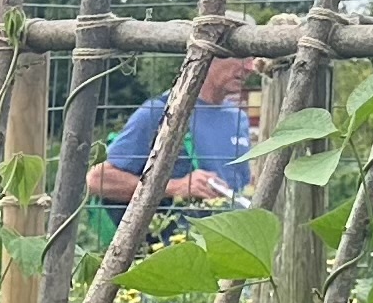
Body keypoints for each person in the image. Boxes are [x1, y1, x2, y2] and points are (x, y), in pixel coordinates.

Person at [94, 55, 261, 208]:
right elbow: (97, 180)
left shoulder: (237, 117)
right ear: (209, 57)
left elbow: (241, 185)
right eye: (241, 56)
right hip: (175, 238)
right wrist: (175, 187)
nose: (251, 67)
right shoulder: (161, 112)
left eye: (252, 58)